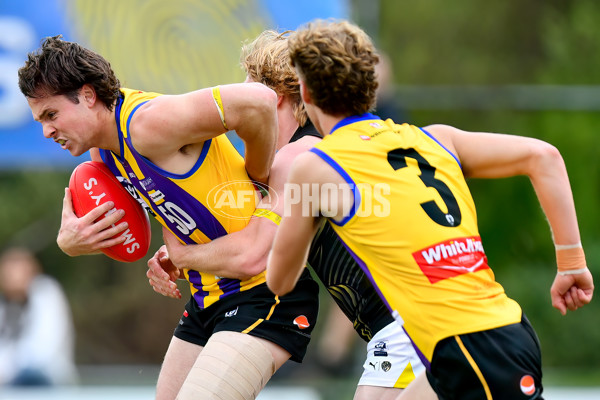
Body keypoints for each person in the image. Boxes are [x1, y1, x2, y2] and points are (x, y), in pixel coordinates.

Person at [266, 19, 594, 400]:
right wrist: (572, 263)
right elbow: (544, 157)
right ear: (371, 86)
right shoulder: (437, 139)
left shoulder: (317, 166)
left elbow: (280, 281)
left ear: (305, 91)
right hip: (485, 340)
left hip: (476, 350)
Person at [18, 35, 319, 400]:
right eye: (40, 120)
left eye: (51, 115)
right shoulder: (103, 153)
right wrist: (72, 242)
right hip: (208, 296)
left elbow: (260, 100)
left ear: (87, 95)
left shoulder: (146, 124)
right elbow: (158, 217)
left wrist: (259, 170)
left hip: (264, 292)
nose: (47, 131)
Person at [146, 30, 428, 400]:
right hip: (408, 321)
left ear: (272, 98)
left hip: (411, 322)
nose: (236, 123)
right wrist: (189, 253)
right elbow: (247, 232)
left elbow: (252, 254)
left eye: (244, 101)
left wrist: (184, 255)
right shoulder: (313, 150)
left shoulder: (299, 154)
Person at [0, 247, 77, 386]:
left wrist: (9, 368)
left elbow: (43, 349)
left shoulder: (46, 293)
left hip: (47, 380)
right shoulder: (5, 305)